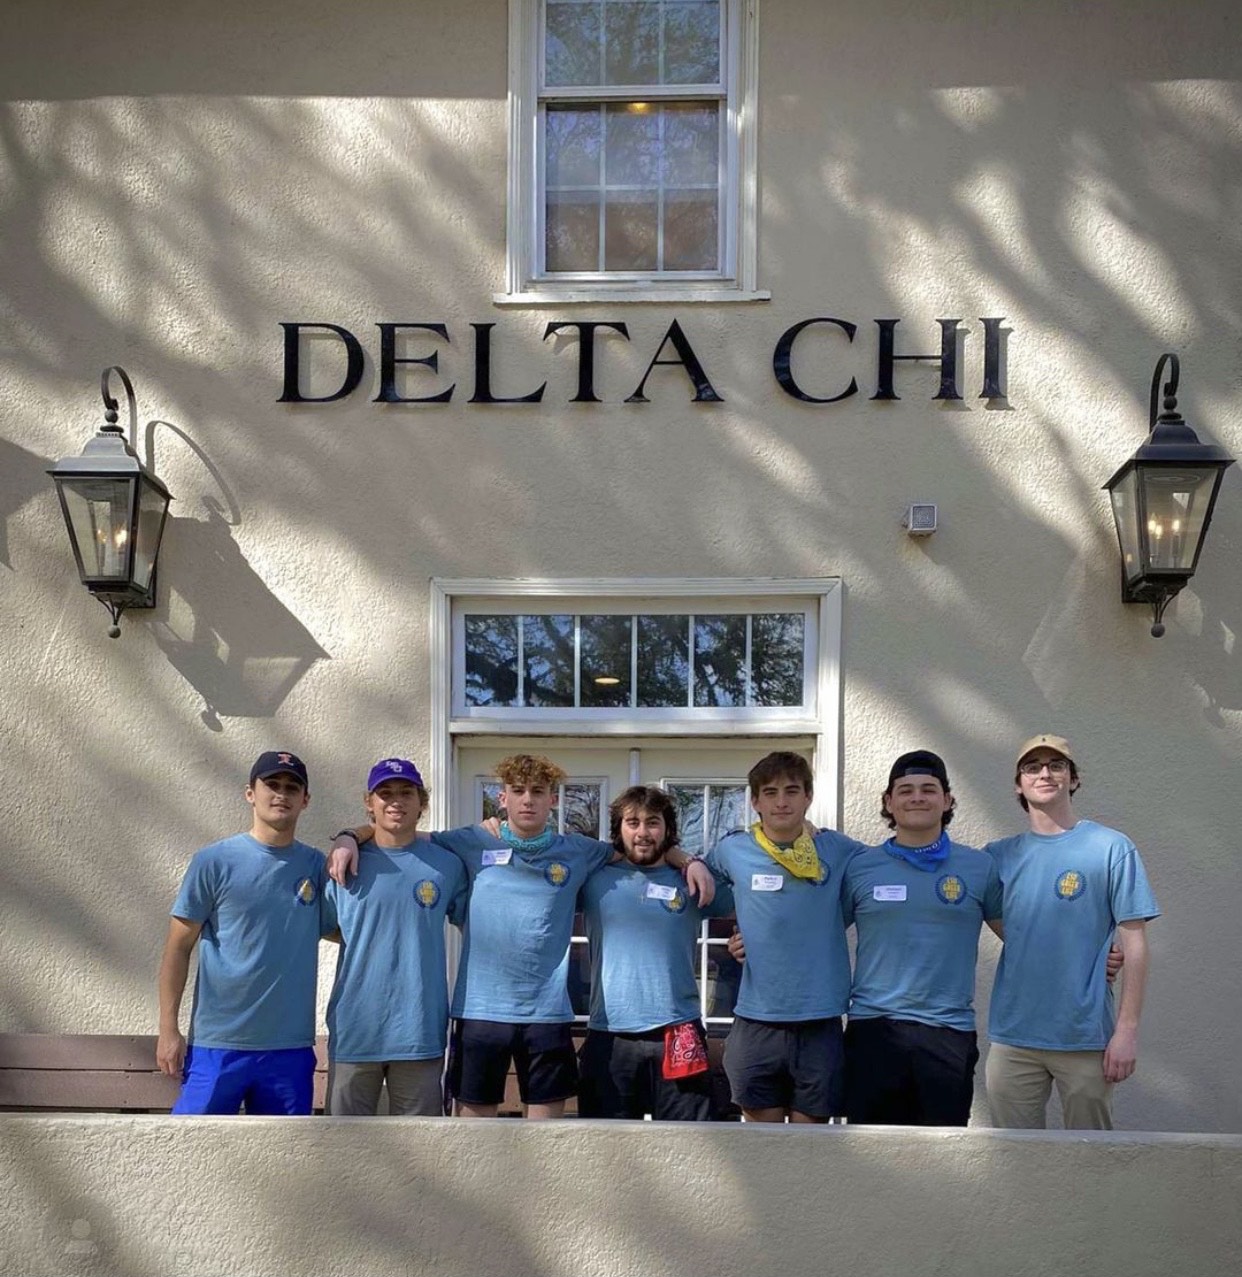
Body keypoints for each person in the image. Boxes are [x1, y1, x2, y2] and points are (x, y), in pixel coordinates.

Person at [329, 753, 714, 1119]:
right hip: (479, 1014)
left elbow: (639, 846)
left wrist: (688, 859)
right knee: (474, 1140)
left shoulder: (580, 851)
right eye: (518, 790)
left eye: (538, 791)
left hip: (547, 1016)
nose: (527, 800)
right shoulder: (469, 842)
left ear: (553, 801)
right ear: (502, 798)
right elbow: (401, 832)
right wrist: (349, 836)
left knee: (544, 1141)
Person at [983, 734, 1159, 1130]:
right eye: (1032, 767)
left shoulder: (1112, 848)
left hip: (1085, 1037)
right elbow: (986, 913)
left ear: (1073, 779)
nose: (1044, 773)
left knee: (1091, 1160)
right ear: (1018, 784)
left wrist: (1126, 1031)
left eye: (1056, 765)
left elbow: (1135, 943)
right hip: (1013, 1038)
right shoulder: (998, 856)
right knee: (1016, 1161)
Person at [156, 751, 327, 1115]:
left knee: (285, 1161)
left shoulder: (316, 866)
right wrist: (168, 1029)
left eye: (292, 787)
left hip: (289, 1049)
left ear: (305, 800)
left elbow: (349, 929)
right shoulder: (213, 861)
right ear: (250, 793)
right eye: (272, 785)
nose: (281, 794)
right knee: (193, 1151)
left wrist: (349, 838)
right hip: (218, 1046)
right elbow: (178, 947)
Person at [839, 750, 1002, 1126]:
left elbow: (1019, 935)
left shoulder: (979, 867)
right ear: (888, 802)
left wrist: (1093, 955)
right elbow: (818, 931)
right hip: (874, 1029)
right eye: (905, 789)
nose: (917, 797)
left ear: (946, 800)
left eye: (929, 789)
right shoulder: (860, 866)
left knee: (943, 1160)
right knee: (874, 1158)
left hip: (948, 1033)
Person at [705, 751, 863, 1124]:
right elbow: (702, 886)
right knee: (764, 1145)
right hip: (756, 1018)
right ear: (755, 801)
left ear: (808, 797)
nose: (781, 801)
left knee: (810, 1145)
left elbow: (886, 872)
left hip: (819, 1017)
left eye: (792, 791)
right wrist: (736, 935)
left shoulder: (838, 850)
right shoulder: (733, 850)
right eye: (770, 792)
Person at [576, 785, 734, 1121]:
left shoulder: (692, 881)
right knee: (610, 1151)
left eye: (653, 823)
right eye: (632, 823)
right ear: (619, 829)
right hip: (610, 1034)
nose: (643, 833)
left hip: (679, 1030)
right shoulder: (592, 879)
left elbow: (754, 904)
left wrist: (690, 861)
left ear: (668, 830)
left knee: (689, 1148)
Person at [321, 758, 467, 1116]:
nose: (395, 801)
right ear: (369, 803)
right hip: (356, 1029)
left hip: (419, 1029)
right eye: (384, 793)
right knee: (346, 1147)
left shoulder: (446, 865)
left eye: (406, 792)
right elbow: (327, 925)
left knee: (423, 1151)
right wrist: (373, 937)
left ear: (422, 803)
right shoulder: (343, 863)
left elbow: (472, 922)